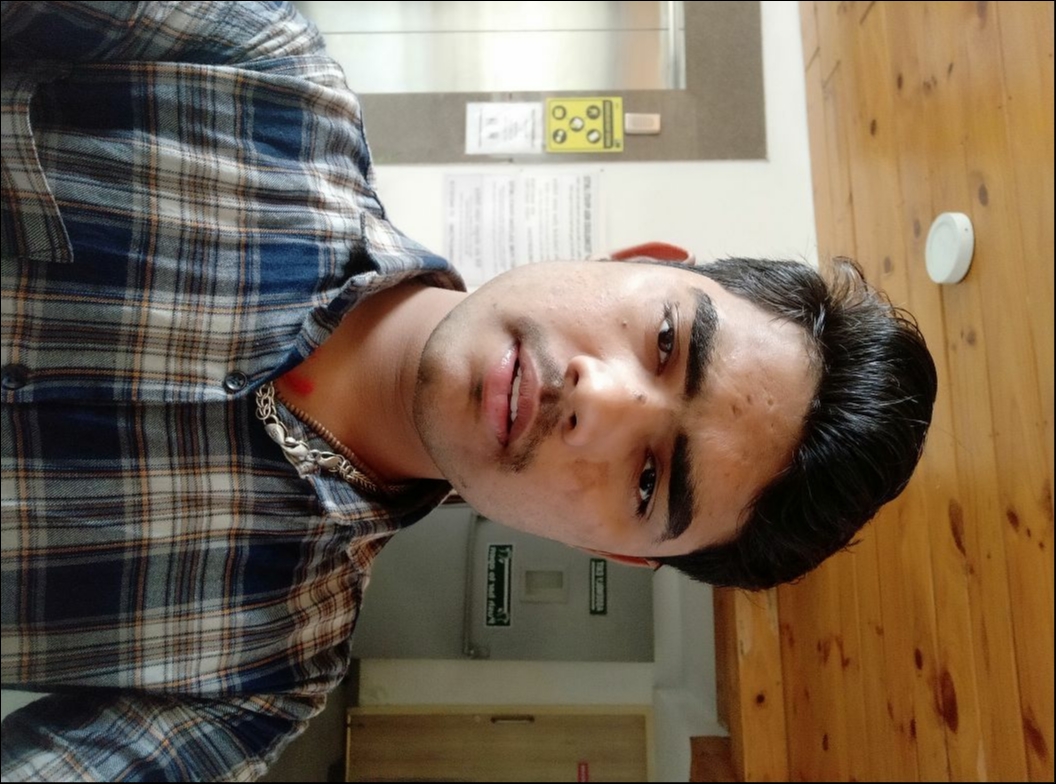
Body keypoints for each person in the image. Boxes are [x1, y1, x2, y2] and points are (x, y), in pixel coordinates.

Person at [0, 1, 937, 780]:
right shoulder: (257, 73)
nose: (598, 403)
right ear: (638, 258)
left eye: (651, 481)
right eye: (664, 342)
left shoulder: (259, 680)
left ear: (611, 551)